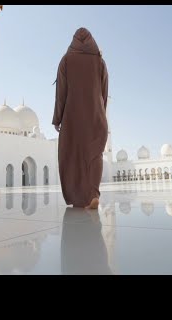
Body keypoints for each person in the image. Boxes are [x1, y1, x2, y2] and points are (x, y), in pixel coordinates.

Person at [52, 27, 108, 210]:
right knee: (94, 154)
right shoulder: (100, 61)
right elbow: (104, 91)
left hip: (72, 117)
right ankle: (93, 193)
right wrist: (101, 112)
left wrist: (57, 118)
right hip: (95, 115)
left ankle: (79, 197)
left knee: (72, 156)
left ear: (74, 41)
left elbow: (61, 92)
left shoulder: (66, 60)